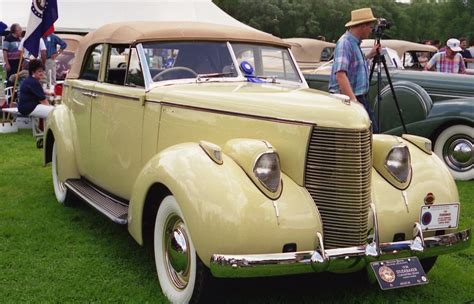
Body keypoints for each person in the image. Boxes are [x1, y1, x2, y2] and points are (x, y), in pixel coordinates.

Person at [328, 8, 380, 133]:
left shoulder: (354, 43)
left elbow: (353, 66)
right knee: (369, 135)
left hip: (355, 97)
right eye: (370, 26)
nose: (371, 30)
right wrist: (354, 101)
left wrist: (369, 55)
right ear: (362, 26)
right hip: (349, 99)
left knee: (371, 134)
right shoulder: (345, 43)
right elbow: (340, 74)